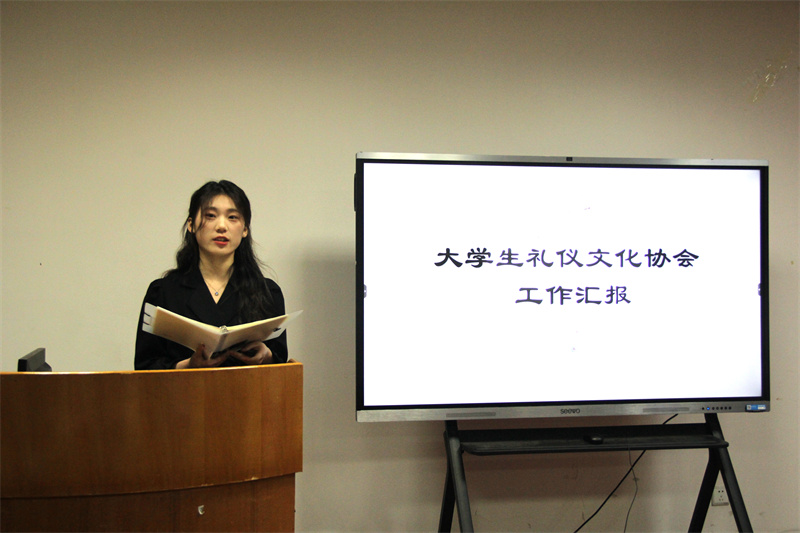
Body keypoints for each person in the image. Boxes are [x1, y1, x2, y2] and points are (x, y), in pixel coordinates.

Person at [135, 180, 288, 370]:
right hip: (185, 390)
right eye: (210, 216)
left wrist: (267, 356)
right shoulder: (163, 292)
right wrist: (188, 366)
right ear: (191, 224)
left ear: (245, 229)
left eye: (232, 217)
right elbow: (145, 367)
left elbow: (282, 365)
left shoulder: (268, 292)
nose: (221, 226)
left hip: (248, 389)